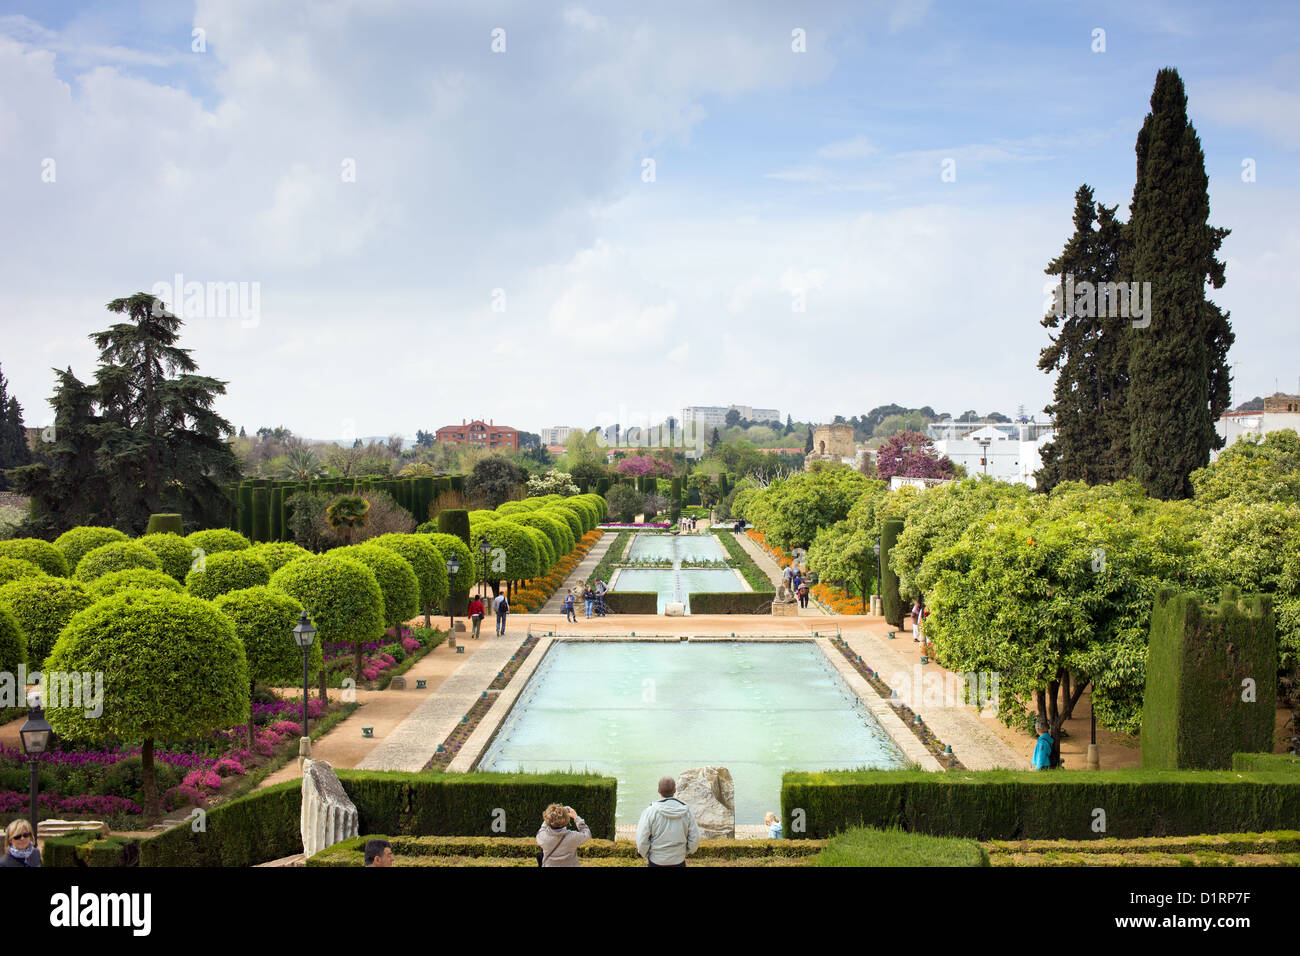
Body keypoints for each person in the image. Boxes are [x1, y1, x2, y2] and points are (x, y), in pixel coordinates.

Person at [635, 776, 701, 867]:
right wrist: (686, 852)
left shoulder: (650, 812)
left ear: (658, 790)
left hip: (656, 861)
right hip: (678, 861)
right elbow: (695, 838)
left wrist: (646, 855)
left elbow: (641, 839)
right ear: (674, 790)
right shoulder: (686, 812)